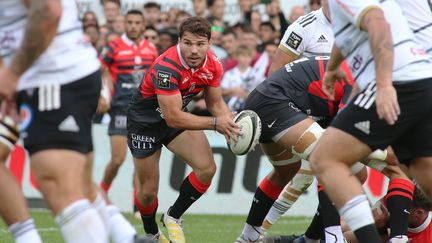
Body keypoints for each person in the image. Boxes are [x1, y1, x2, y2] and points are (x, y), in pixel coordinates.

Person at [308, 0, 432, 242]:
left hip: (396, 82)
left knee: (325, 158)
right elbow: (353, 33)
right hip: (421, 81)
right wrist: (333, 67)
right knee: (420, 172)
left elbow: (377, 23)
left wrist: (384, 85)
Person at [0, 0, 109, 242]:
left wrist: (11, 75)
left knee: (59, 184)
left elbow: (48, 10)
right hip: (41, 77)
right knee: (68, 183)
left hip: (53, 76)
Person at [127, 16, 238, 243]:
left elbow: (215, 104)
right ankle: (152, 235)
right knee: (147, 194)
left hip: (176, 117)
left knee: (206, 169)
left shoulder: (214, 63)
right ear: (179, 41)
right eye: (187, 43)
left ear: (209, 43)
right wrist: (216, 124)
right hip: (146, 124)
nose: (194, 50)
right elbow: (173, 118)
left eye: (200, 44)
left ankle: (173, 216)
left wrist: (232, 125)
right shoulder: (167, 67)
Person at [99, 10, 158, 195]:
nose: (133, 26)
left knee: (140, 161)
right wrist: (104, 95)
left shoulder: (151, 49)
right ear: (125, 24)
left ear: (143, 25)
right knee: (117, 159)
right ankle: (101, 193)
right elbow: (101, 70)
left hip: (143, 110)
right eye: (130, 22)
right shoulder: (114, 46)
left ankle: (137, 205)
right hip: (120, 107)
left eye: (137, 22)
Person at [342, 187, 432, 243]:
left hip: (387, 233)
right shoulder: (400, 195)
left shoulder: (427, 239)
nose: (396, 210)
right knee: (349, 228)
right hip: (388, 230)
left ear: (418, 213)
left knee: (352, 237)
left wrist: (381, 229)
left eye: (398, 209)